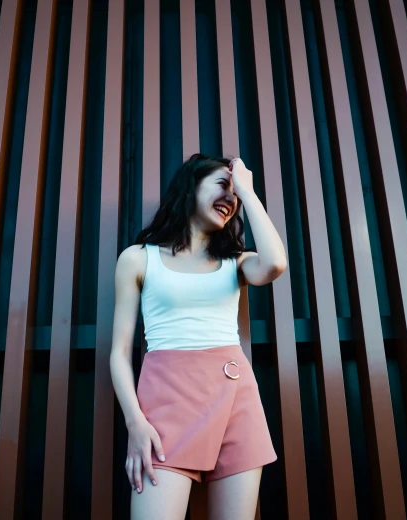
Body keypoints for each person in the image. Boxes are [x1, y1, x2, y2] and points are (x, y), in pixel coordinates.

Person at [110, 154, 288, 519]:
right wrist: (135, 422)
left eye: (235, 193)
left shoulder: (236, 262)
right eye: (222, 186)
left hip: (235, 397)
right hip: (165, 402)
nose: (231, 197)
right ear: (190, 188)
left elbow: (274, 264)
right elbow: (120, 352)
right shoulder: (139, 259)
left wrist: (249, 193)